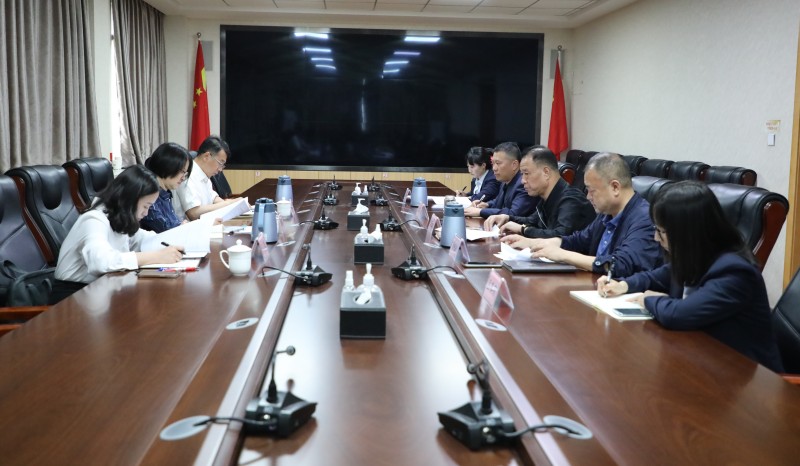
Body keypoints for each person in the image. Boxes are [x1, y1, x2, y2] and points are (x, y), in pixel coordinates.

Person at [597, 181, 783, 372]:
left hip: (748, 377)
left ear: (686, 231)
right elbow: (656, 277)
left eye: (661, 231)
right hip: (704, 359)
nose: (655, 238)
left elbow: (678, 314)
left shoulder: (735, 271)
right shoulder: (697, 255)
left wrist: (648, 299)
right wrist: (623, 285)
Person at [502, 152, 660, 277]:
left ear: (615, 187)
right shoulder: (607, 214)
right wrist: (532, 243)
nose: (588, 197)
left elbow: (620, 265)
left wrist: (563, 255)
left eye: (592, 190)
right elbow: (578, 240)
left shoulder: (644, 219)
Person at [52, 165, 184, 302]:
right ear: (130, 200)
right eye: (146, 206)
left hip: (101, 291)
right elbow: (101, 262)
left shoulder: (119, 219)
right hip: (72, 297)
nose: (146, 213)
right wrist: (155, 257)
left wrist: (178, 243)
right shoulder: (93, 219)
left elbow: (145, 239)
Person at [484, 146, 594, 238]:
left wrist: (523, 230)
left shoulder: (571, 200)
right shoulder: (547, 195)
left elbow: (560, 236)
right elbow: (532, 220)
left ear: (546, 172)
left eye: (526, 173)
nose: (522, 181)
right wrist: (507, 218)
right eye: (522, 174)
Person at [173, 135, 243, 221]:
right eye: (220, 163)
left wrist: (234, 205)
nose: (220, 169)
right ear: (207, 156)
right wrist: (227, 204)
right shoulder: (187, 174)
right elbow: (194, 213)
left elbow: (213, 198)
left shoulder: (204, 174)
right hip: (185, 226)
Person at [463, 142, 537, 219]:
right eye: (493, 163)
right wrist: (487, 204)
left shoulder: (524, 184)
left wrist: (480, 212)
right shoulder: (504, 180)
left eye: (498, 163)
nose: (494, 168)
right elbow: (498, 201)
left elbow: (513, 213)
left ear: (514, 165)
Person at [140, 142, 192, 233]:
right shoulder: (149, 194)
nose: (183, 178)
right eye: (182, 172)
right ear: (167, 165)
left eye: (185, 173)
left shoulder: (165, 192)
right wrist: (182, 227)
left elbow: (174, 224)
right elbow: (165, 231)